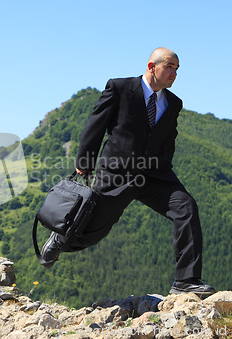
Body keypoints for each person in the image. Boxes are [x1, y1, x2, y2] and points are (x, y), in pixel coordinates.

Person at [40, 47, 216, 296]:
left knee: (186, 207)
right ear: (151, 66)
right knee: (92, 232)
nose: (174, 73)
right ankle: (59, 240)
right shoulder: (120, 88)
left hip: (156, 175)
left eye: (177, 69)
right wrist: (85, 160)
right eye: (169, 66)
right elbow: (96, 123)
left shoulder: (173, 102)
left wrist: (166, 165)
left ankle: (186, 281)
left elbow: (169, 137)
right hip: (117, 174)